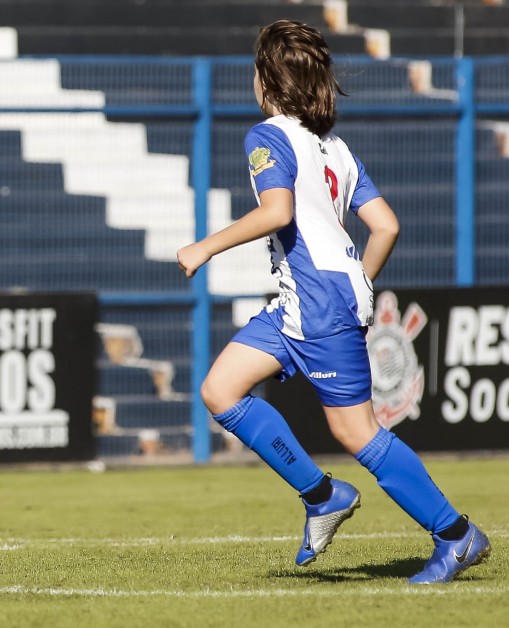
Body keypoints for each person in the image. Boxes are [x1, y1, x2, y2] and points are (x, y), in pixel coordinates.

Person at [177, 20, 491, 584]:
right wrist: (361, 285)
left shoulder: (267, 136)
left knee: (357, 433)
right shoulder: (335, 149)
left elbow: (276, 213)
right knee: (220, 389)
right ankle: (322, 495)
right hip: (307, 299)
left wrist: (204, 247)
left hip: (318, 303)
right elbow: (385, 226)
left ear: (267, 81)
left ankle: (456, 535)